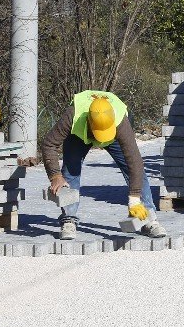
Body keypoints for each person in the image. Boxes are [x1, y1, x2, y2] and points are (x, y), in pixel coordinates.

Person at [41, 91, 166, 240]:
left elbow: (135, 163)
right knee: (70, 172)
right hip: (79, 136)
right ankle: (69, 219)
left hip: (113, 134)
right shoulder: (73, 116)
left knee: (134, 170)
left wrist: (134, 199)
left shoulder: (120, 121)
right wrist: (55, 175)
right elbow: (49, 144)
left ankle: (148, 218)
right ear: (89, 122)